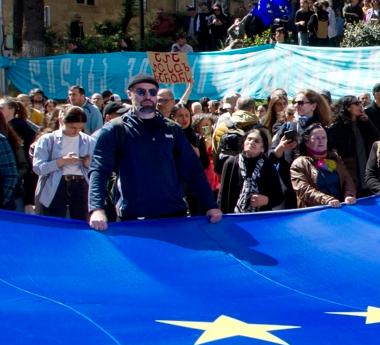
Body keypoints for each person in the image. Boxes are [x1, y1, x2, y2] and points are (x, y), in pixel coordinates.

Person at [87, 74, 222, 231]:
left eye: (152, 92)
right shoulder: (115, 129)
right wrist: (97, 209)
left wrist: (210, 205)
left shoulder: (172, 129)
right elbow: (99, 170)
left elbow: (193, 169)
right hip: (133, 217)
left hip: (174, 214)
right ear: (129, 93)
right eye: (141, 92)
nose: (147, 96)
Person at [31, 106, 95, 219]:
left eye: (80, 128)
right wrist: (61, 161)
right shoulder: (47, 139)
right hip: (55, 185)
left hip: (81, 185)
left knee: (81, 224)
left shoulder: (89, 141)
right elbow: (38, 168)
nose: (76, 131)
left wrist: (87, 164)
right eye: (72, 127)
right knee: (53, 223)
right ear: (61, 121)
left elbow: (96, 169)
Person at [217, 128, 285, 213]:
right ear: (244, 143)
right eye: (249, 139)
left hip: (259, 219)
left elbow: (279, 196)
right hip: (233, 217)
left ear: (262, 148)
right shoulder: (231, 163)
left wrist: (265, 200)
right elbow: (222, 195)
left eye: (256, 141)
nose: (251, 142)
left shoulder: (268, 166)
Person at [291, 123, 356, 209]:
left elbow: (347, 179)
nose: (321, 141)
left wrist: (349, 195)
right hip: (314, 212)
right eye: (317, 138)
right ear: (307, 142)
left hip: (339, 208)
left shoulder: (334, 158)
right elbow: (304, 190)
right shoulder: (300, 163)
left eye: (323, 138)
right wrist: (327, 200)